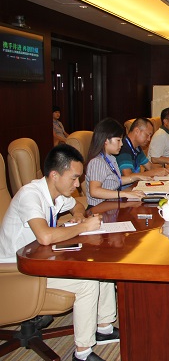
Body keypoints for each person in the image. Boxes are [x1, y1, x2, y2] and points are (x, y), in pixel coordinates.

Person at [0, 144, 119, 361]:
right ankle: (82, 353)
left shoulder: (55, 193)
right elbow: (45, 237)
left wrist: (79, 216)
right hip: (16, 271)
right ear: (55, 175)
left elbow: (77, 206)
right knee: (87, 282)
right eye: (74, 178)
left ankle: (104, 328)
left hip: (40, 260)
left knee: (100, 267)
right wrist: (83, 227)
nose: (77, 184)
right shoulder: (30, 195)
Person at [86, 118, 148, 208]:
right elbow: (94, 191)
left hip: (110, 205)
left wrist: (136, 177)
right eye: (118, 140)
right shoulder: (97, 162)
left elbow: (114, 180)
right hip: (99, 208)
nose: (121, 144)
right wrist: (124, 194)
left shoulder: (111, 158)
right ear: (106, 140)